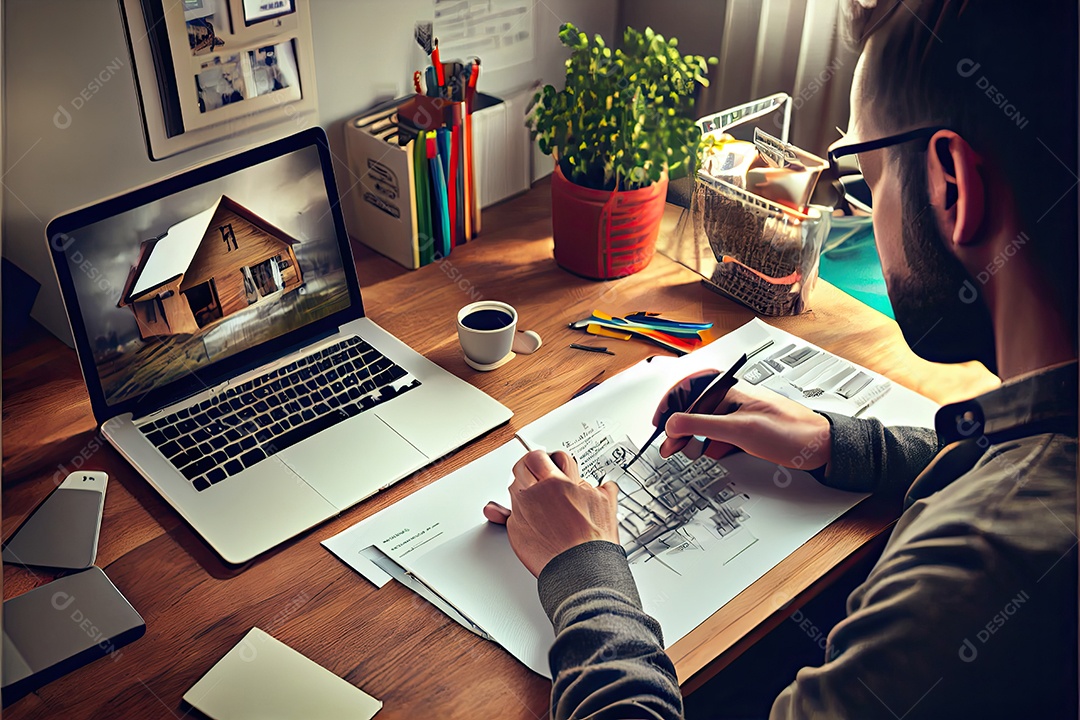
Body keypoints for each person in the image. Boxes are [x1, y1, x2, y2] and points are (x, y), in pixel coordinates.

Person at [482, 1, 1078, 717]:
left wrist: (584, 573)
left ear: (951, 187)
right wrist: (837, 442)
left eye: (866, 178)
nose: (866, 212)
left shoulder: (974, 575)